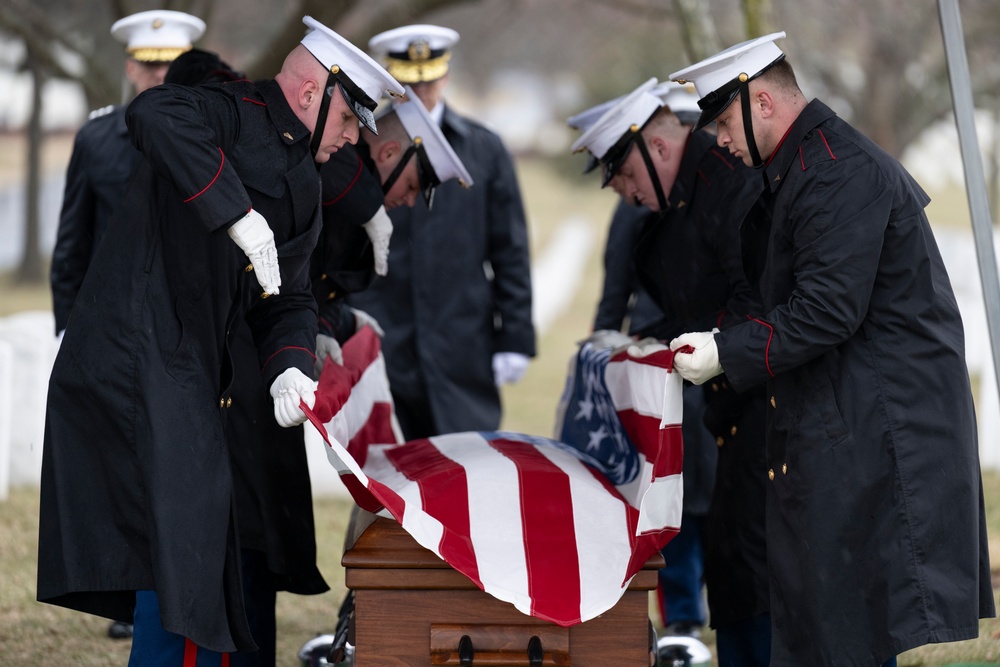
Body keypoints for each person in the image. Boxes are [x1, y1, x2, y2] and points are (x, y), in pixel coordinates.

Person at [36, 16, 403, 666]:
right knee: (185, 536)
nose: (352, 138)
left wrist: (290, 364)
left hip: (207, 371)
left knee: (221, 537)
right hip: (146, 356)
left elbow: (289, 296)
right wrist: (235, 211)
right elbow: (153, 115)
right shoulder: (226, 109)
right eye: (349, 118)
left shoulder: (305, 179)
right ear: (312, 93)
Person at [667, 32, 995, 667]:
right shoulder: (802, 166)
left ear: (762, 101)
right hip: (846, 416)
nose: (721, 141)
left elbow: (825, 311)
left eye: (725, 122)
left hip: (882, 427)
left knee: (846, 633)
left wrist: (724, 355)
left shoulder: (838, 170)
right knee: (822, 628)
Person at [570, 78, 770, 665]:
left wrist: (697, 344)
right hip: (725, 396)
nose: (627, 195)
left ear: (657, 150)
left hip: (755, 400)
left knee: (747, 559)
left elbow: (748, 299)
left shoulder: (726, 185)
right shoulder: (674, 196)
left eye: (627, 178)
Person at [348, 24, 536, 440]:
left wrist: (516, 337)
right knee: (389, 474)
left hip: (462, 340)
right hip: (385, 335)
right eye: (410, 83)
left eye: (429, 79)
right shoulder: (360, 145)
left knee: (468, 468)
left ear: (445, 75)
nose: (421, 92)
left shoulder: (484, 147)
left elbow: (510, 249)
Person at [50, 10, 207, 341]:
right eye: (150, 64)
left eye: (172, 63)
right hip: (108, 322)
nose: (161, 74)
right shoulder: (96, 138)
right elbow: (72, 244)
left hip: (187, 325)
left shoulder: (213, 136)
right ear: (131, 68)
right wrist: (66, 328)